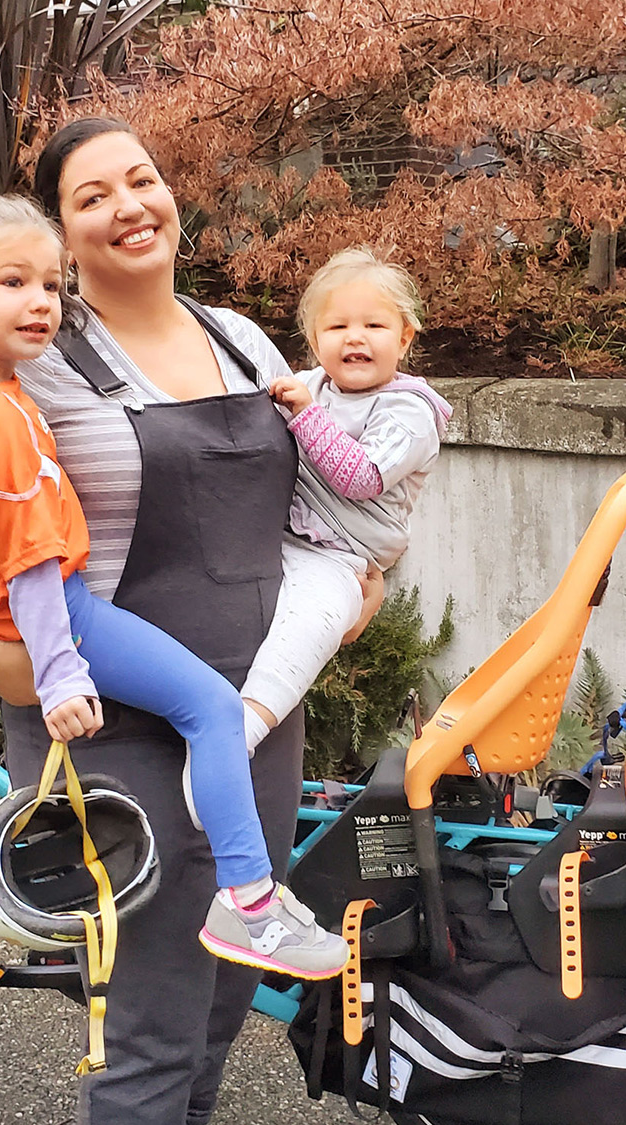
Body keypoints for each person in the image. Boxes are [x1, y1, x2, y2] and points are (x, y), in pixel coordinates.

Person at [0, 119, 383, 1125]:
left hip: (252, 705)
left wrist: (360, 584)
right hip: (110, 715)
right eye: (91, 195)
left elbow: (325, 495)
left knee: (233, 970)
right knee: (149, 992)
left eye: (141, 178)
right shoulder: (32, 344)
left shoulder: (240, 336)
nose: (127, 204)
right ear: (61, 229)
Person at [0, 192, 348, 983]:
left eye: (51, 286)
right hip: (61, 615)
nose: (42, 303)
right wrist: (57, 673)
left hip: (8, 605)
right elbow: (32, 565)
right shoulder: (0, 421)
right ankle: (252, 903)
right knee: (212, 709)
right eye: (12, 283)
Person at [243, 246, 451, 754]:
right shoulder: (311, 386)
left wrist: (306, 415)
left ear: (404, 338)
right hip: (279, 535)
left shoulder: (411, 412)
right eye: (336, 328)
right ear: (315, 341)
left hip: (341, 556)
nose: (355, 337)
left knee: (309, 627)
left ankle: (243, 727)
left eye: (374, 327)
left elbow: (362, 477)